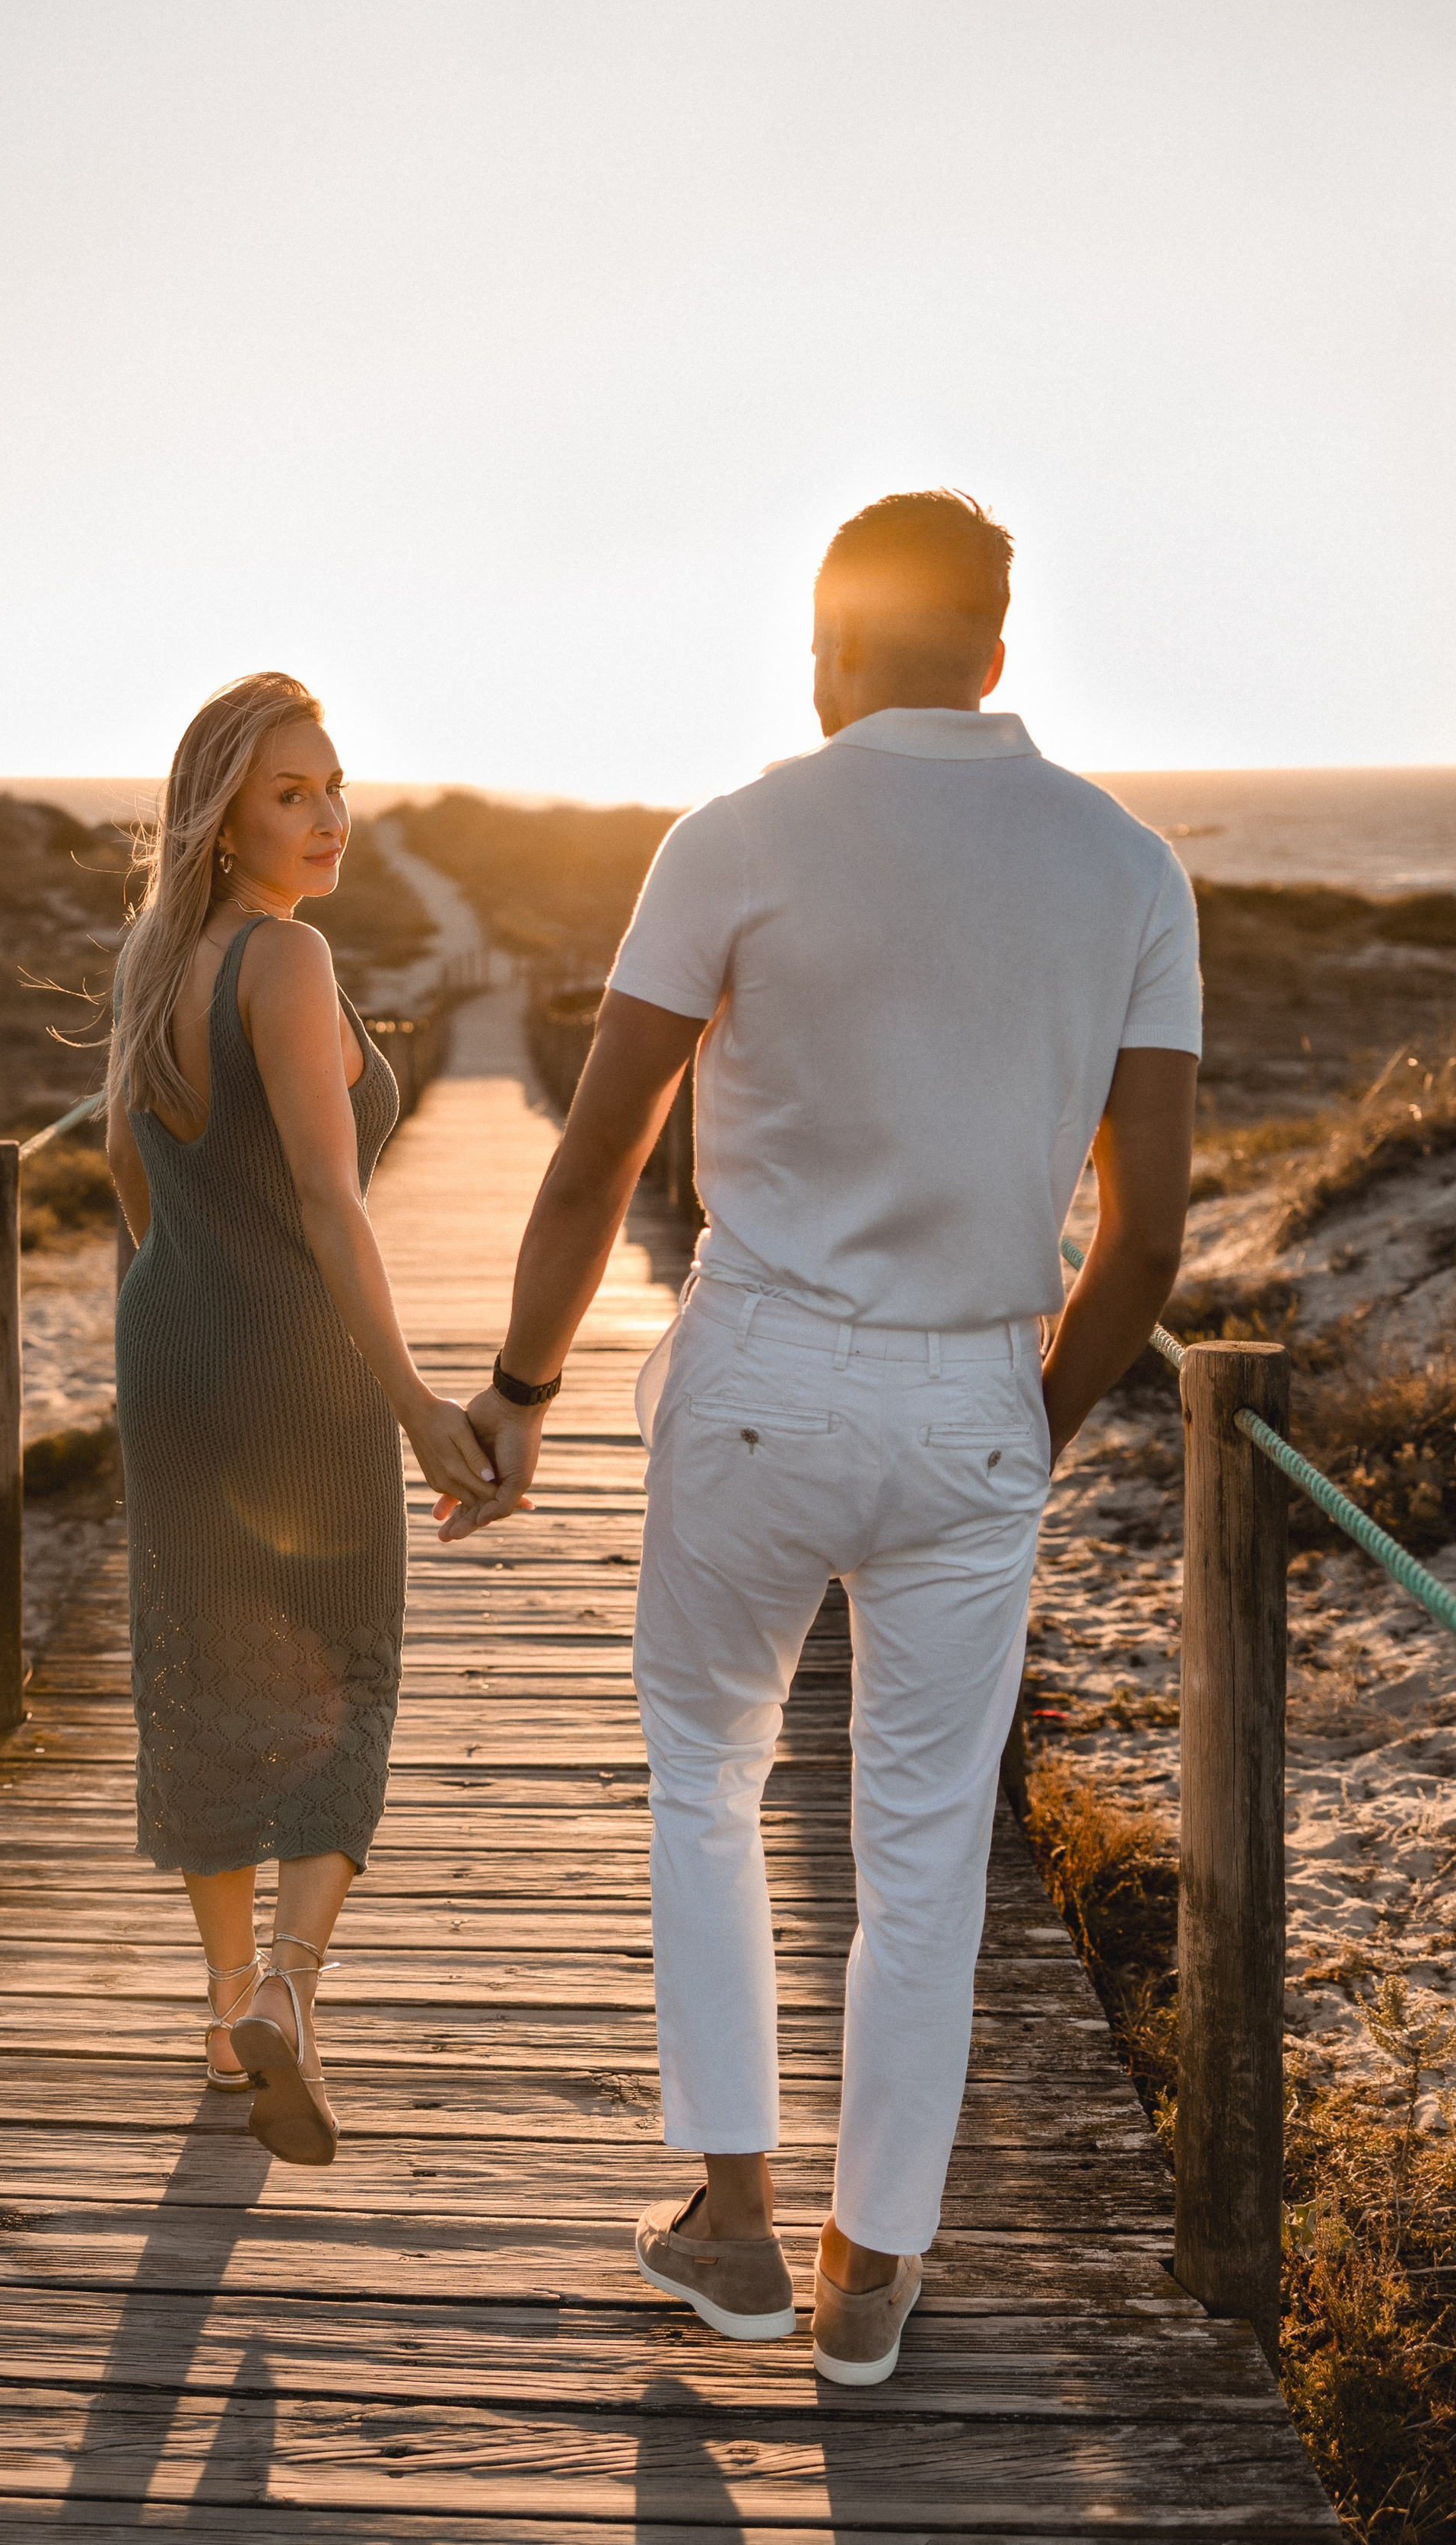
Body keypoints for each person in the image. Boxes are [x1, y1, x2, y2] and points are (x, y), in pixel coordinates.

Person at [443, 492, 1199, 2374]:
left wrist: (519, 1392)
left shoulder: (734, 836)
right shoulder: (1127, 870)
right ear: (995, 653)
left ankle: (730, 2224)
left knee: (703, 1783)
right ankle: (869, 2280)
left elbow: (595, 1154)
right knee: (923, 1855)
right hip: (977, 1396)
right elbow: (1144, 1239)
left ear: (829, 644)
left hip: (760, 1383)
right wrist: (1024, 1421)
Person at [106, 670, 495, 2166]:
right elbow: (332, 1205)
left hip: (172, 1355)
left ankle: (223, 2017)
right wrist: (414, 1402)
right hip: (298, 1365)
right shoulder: (285, 956)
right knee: (346, 1663)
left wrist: (186, 1299)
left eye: (334, 787)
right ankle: (289, 1985)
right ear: (221, 820)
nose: (329, 816)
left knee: (201, 1666)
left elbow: (127, 1170)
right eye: (291, 794)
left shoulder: (153, 955)